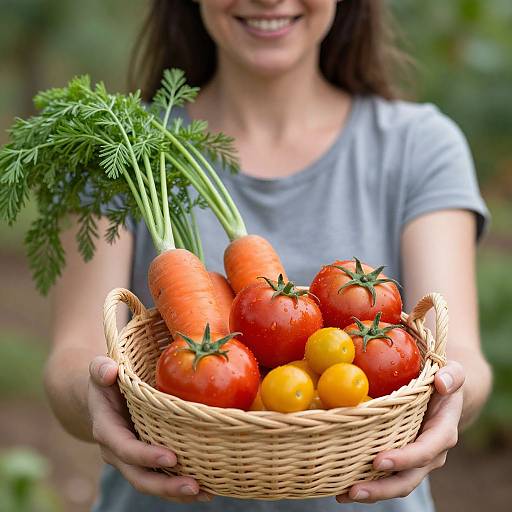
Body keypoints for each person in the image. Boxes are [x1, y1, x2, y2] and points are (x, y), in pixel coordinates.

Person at [44, 1, 492, 510]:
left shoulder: (421, 146)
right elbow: (72, 356)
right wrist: (96, 399)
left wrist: (451, 395)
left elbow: (460, 356)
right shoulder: (123, 148)